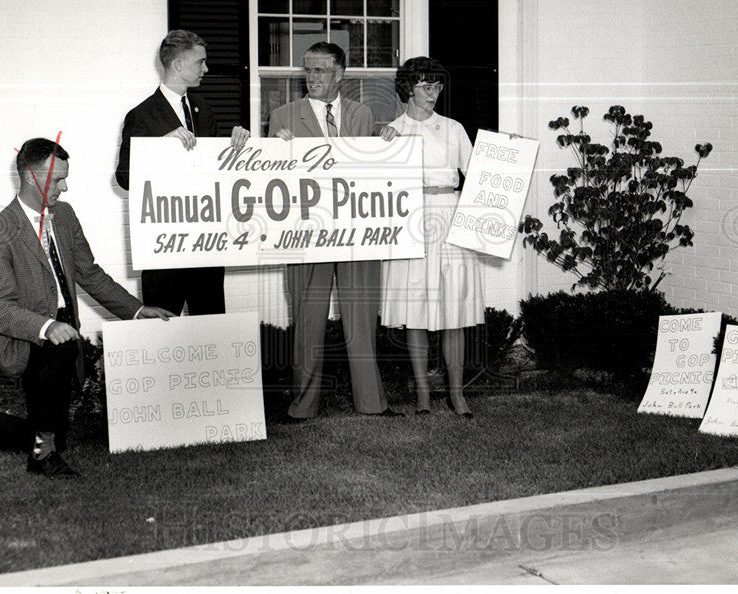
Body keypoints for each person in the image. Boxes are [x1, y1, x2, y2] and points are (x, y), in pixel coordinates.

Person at [0, 137, 173, 478]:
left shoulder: (63, 215)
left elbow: (89, 273)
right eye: (57, 180)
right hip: (25, 339)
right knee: (61, 348)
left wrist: (137, 311)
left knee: (53, 434)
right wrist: (47, 327)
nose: (65, 187)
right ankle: (41, 457)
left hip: (62, 332)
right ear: (31, 178)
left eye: (65, 178)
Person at [267, 41, 402, 421]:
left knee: (361, 316)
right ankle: (303, 406)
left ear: (340, 74)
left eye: (321, 71)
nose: (312, 78)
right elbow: (269, 175)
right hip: (305, 232)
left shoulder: (363, 115)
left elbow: (376, 167)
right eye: (307, 70)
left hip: (355, 232)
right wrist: (272, 150)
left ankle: (372, 402)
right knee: (307, 319)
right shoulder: (282, 116)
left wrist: (388, 143)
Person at [115, 29, 250, 316]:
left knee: (211, 326)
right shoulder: (142, 115)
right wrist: (159, 148)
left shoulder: (205, 110)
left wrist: (237, 144)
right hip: (164, 249)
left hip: (206, 245)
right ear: (177, 65)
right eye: (200, 62)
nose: (207, 68)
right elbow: (124, 177)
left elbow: (218, 171)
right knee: (164, 330)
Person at [379, 56, 484, 418]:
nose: (433, 93)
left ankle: (456, 393)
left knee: (454, 308)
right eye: (426, 86)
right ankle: (423, 393)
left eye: (438, 86)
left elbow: (479, 175)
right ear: (408, 88)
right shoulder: (390, 131)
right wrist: (384, 147)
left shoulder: (453, 128)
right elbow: (379, 185)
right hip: (411, 221)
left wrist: (506, 157)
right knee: (416, 310)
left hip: (451, 215)